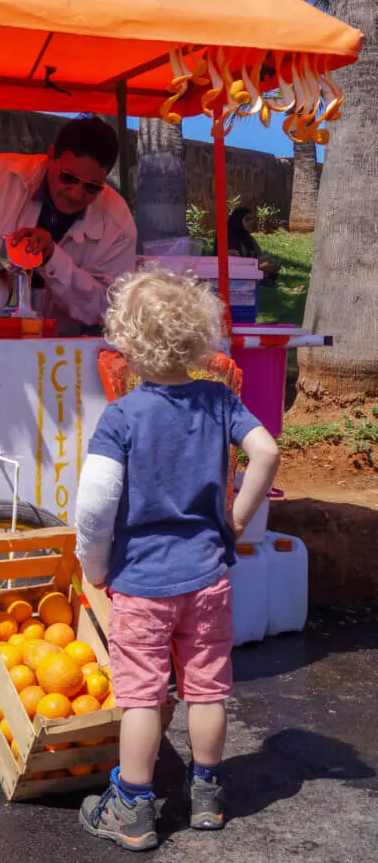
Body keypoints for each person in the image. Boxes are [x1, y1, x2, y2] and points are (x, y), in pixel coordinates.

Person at [75, 270, 280, 850]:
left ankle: (134, 809)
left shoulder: (122, 417)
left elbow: (94, 509)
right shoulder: (220, 400)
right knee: (207, 689)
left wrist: (94, 567)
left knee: (142, 695)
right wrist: (236, 523)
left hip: (141, 583)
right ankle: (208, 796)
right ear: (197, 340)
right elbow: (265, 450)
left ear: (127, 344)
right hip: (209, 576)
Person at [0, 116, 137, 336]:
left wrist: (53, 258)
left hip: (56, 352)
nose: (76, 194)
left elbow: (109, 307)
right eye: (68, 178)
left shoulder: (118, 221)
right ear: (51, 156)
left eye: (91, 188)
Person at [219, 206, 280, 287]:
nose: (250, 222)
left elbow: (259, 255)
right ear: (238, 221)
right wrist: (258, 267)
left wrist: (270, 263)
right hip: (235, 275)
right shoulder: (228, 238)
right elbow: (233, 266)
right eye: (247, 219)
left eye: (251, 219)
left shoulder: (247, 238)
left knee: (268, 260)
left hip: (250, 269)